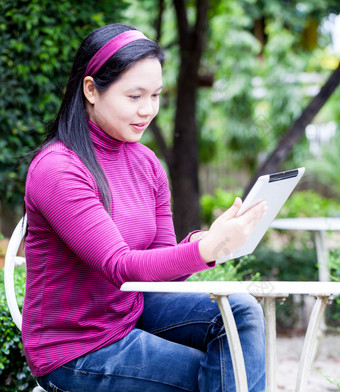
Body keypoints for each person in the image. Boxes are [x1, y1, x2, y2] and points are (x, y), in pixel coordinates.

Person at [23, 23, 267, 392]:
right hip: (75, 347)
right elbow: (120, 267)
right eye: (135, 96)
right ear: (91, 89)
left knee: (241, 312)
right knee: (215, 374)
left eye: (155, 95)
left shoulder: (147, 162)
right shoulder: (59, 168)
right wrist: (205, 250)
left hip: (130, 312)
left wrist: (210, 241)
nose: (148, 110)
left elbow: (161, 269)